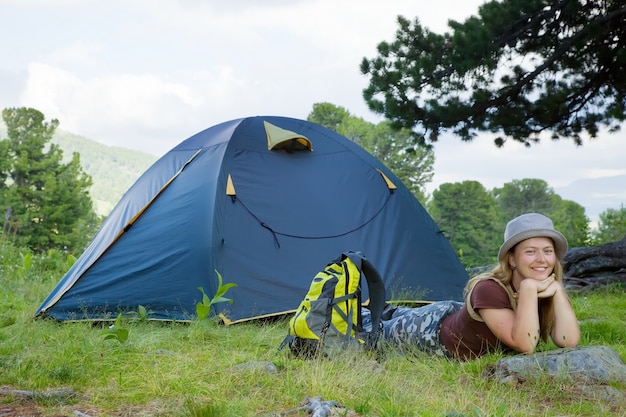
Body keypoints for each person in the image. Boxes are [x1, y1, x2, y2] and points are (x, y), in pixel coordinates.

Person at [374, 212, 580, 360]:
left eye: (547, 251)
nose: (542, 259)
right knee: (371, 333)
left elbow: (568, 341)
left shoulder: (546, 288)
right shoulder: (489, 289)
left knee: (384, 315)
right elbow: (525, 344)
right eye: (530, 252)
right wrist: (527, 290)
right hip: (429, 332)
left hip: (454, 315)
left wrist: (559, 292)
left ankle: (390, 311)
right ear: (512, 260)